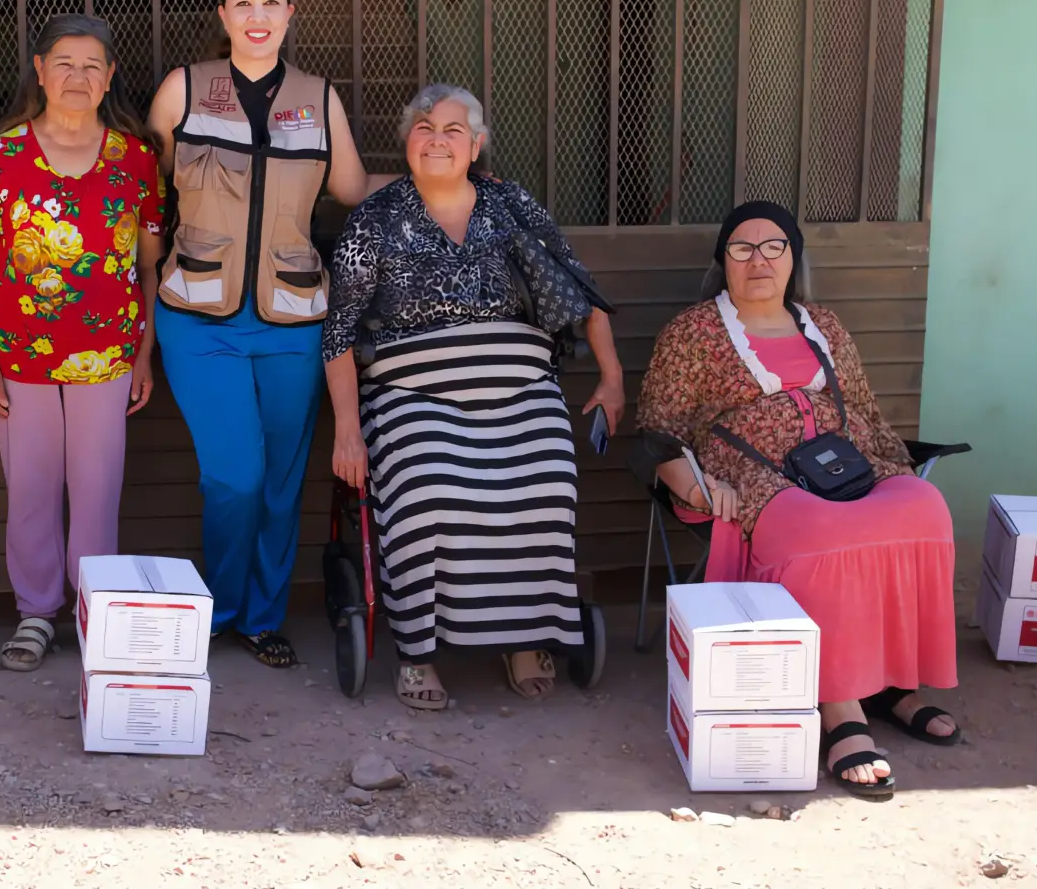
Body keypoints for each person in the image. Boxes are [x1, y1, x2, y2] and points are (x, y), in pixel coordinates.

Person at [635, 200, 959, 799]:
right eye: (742, 248)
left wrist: (892, 466)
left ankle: (893, 681)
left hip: (845, 464)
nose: (758, 260)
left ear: (793, 259)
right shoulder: (694, 332)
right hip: (752, 478)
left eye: (773, 247)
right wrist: (697, 485)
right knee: (820, 532)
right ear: (723, 261)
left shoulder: (824, 325)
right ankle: (841, 707)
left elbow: (864, 411)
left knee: (924, 508)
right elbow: (659, 429)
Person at [323, 85, 622, 710]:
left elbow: (579, 283)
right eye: (424, 127)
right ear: (406, 141)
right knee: (430, 488)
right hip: (411, 393)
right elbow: (339, 332)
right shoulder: (374, 218)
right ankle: (419, 651)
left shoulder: (510, 203)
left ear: (477, 144)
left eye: (453, 130)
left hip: (521, 386)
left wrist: (611, 376)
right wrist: (347, 429)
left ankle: (525, 637)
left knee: (545, 480)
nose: (437, 139)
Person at [143, 0, 386, 668]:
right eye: (243, 3)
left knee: (280, 480)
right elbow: (138, 186)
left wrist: (447, 175)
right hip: (197, 314)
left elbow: (351, 188)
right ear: (224, 16)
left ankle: (261, 617)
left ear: (289, 15)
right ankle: (221, 607)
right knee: (236, 476)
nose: (257, 16)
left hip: (293, 317)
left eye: (271, 2)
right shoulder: (184, 88)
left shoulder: (318, 97)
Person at [0, 14, 164, 672]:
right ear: (41, 72)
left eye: (92, 65)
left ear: (109, 78)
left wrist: (143, 352)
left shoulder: (135, 161)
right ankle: (36, 611)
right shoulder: (3, 157)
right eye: (64, 63)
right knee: (31, 487)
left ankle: (94, 611)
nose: (78, 76)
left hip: (107, 353)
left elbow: (149, 267)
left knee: (98, 488)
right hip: (19, 355)